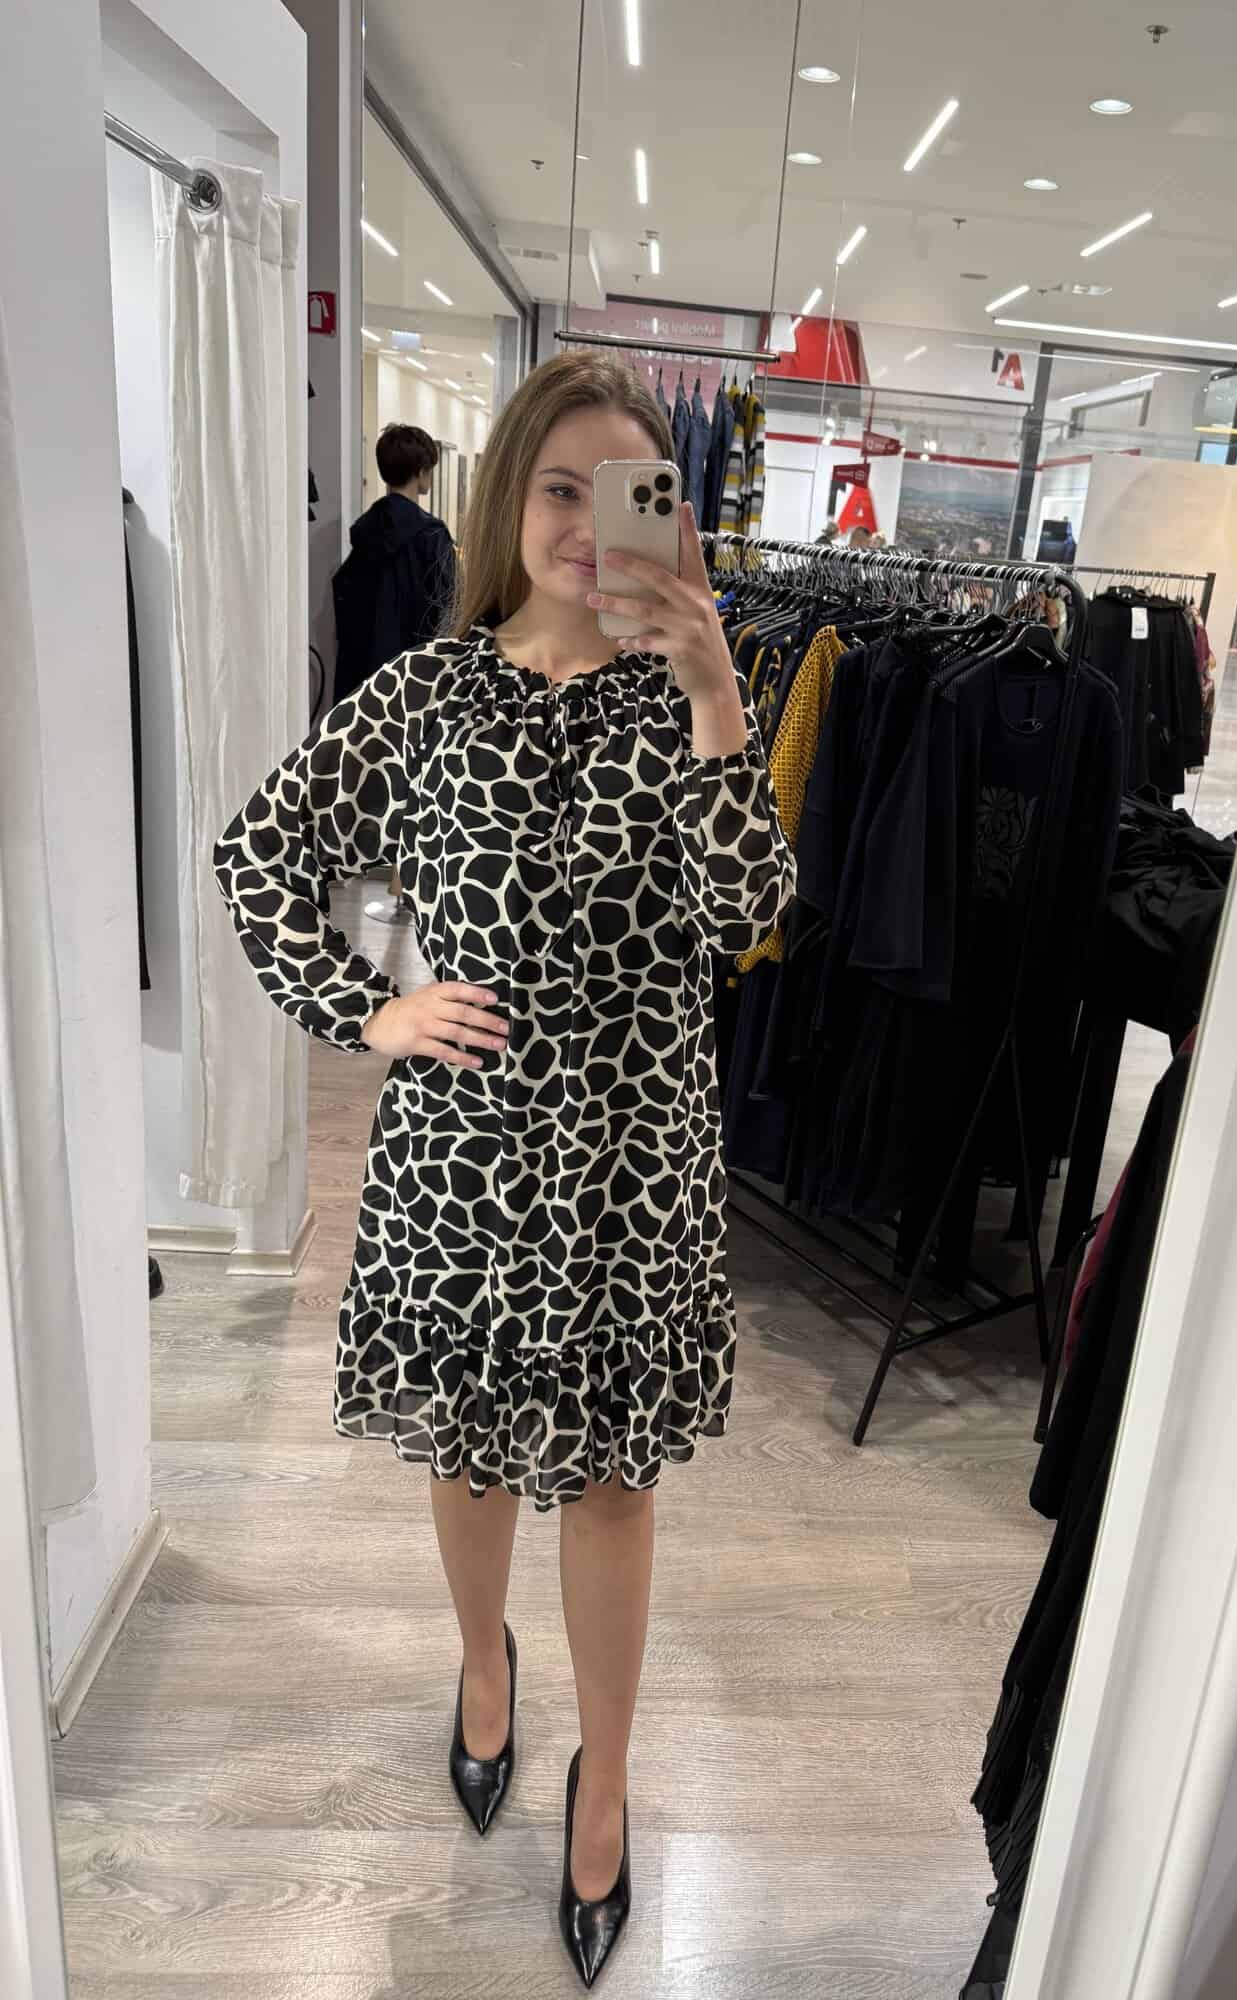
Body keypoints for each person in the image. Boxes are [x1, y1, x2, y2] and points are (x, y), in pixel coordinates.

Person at [211, 353, 794, 1990]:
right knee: (467, 1454)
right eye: (560, 487)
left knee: (612, 1485)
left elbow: (749, 915)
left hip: (632, 1167)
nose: (590, 524)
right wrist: (375, 1003)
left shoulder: (683, 698)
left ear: (672, 514)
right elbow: (266, 855)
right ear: (508, 500)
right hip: (458, 1161)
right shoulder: (425, 694)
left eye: (629, 492)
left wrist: (718, 698)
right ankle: (485, 1664)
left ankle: (606, 1773)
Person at [332, 423, 456, 924]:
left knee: (368, 773)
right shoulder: (431, 537)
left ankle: (360, 865)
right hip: (418, 680)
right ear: (422, 471)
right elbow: (447, 611)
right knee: (415, 780)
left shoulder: (362, 534)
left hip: (365, 676)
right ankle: (407, 884)